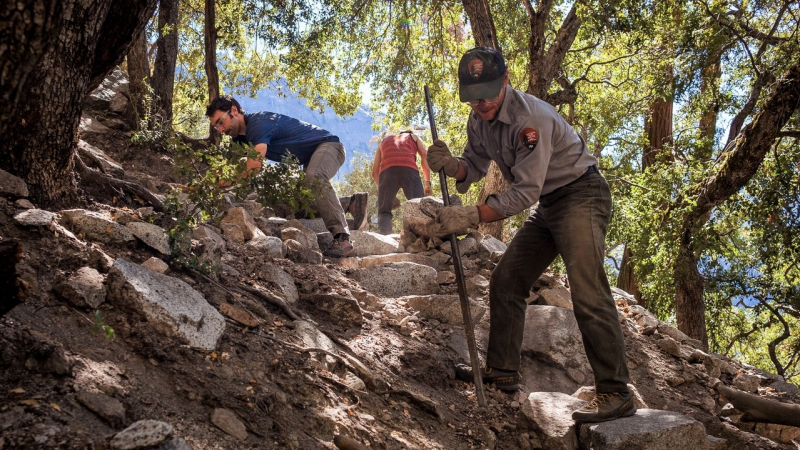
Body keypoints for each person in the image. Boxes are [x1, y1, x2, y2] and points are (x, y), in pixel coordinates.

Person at [427, 47, 634, 423]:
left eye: (488, 92)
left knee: (586, 289)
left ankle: (616, 391)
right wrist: (449, 164)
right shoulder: (479, 120)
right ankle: (502, 371)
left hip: (581, 194)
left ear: (506, 80)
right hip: (550, 204)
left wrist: (471, 215)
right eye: (473, 96)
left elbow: (524, 193)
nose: (481, 102)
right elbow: (471, 167)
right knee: (507, 280)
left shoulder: (530, 118)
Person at [206, 95, 357, 257]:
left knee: (314, 176)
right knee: (294, 206)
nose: (221, 130)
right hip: (309, 160)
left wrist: (222, 183)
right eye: (216, 127)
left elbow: (253, 168)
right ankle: (351, 205)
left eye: (221, 122)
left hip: (329, 146)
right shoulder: (239, 141)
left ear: (234, 111)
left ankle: (342, 238)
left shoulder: (258, 123)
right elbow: (226, 170)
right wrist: (208, 185)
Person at [372, 130, 432, 234]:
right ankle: (421, 238)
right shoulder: (413, 137)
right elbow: (424, 154)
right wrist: (427, 183)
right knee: (418, 206)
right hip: (409, 170)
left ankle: (385, 239)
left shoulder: (383, 141)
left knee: (384, 210)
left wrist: (385, 191)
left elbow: (374, 173)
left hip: (387, 171)